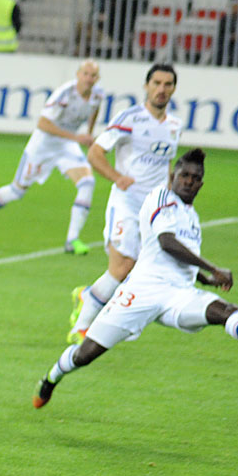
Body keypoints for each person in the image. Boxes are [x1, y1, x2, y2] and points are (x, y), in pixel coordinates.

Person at [33, 149, 238, 409]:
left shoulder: (191, 217)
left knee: (223, 311)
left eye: (196, 178)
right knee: (86, 354)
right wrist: (213, 267)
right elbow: (167, 242)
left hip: (178, 295)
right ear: (173, 176)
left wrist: (206, 279)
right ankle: (51, 377)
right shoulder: (161, 197)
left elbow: (181, 260)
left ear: (201, 184)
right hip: (140, 292)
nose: (189, 181)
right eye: (184, 175)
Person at [67, 64, 182, 344]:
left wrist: (171, 197)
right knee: (122, 267)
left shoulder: (174, 125)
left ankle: (93, 299)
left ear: (174, 89)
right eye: (156, 83)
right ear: (146, 86)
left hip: (155, 209)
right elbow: (95, 153)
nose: (161, 89)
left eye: (167, 84)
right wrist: (116, 177)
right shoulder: (129, 118)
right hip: (127, 204)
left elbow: (165, 164)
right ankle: (81, 327)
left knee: (143, 269)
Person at [0, 60, 103, 254]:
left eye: (93, 75)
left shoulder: (98, 94)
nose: (89, 79)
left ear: (97, 78)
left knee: (87, 182)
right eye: (86, 74)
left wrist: (88, 133)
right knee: (17, 190)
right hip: (44, 145)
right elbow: (43, 124)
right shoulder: (64, 94)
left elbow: (94, 110)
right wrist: (76, 137)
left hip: (66, 145)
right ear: (78, 74)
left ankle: (72, 240)